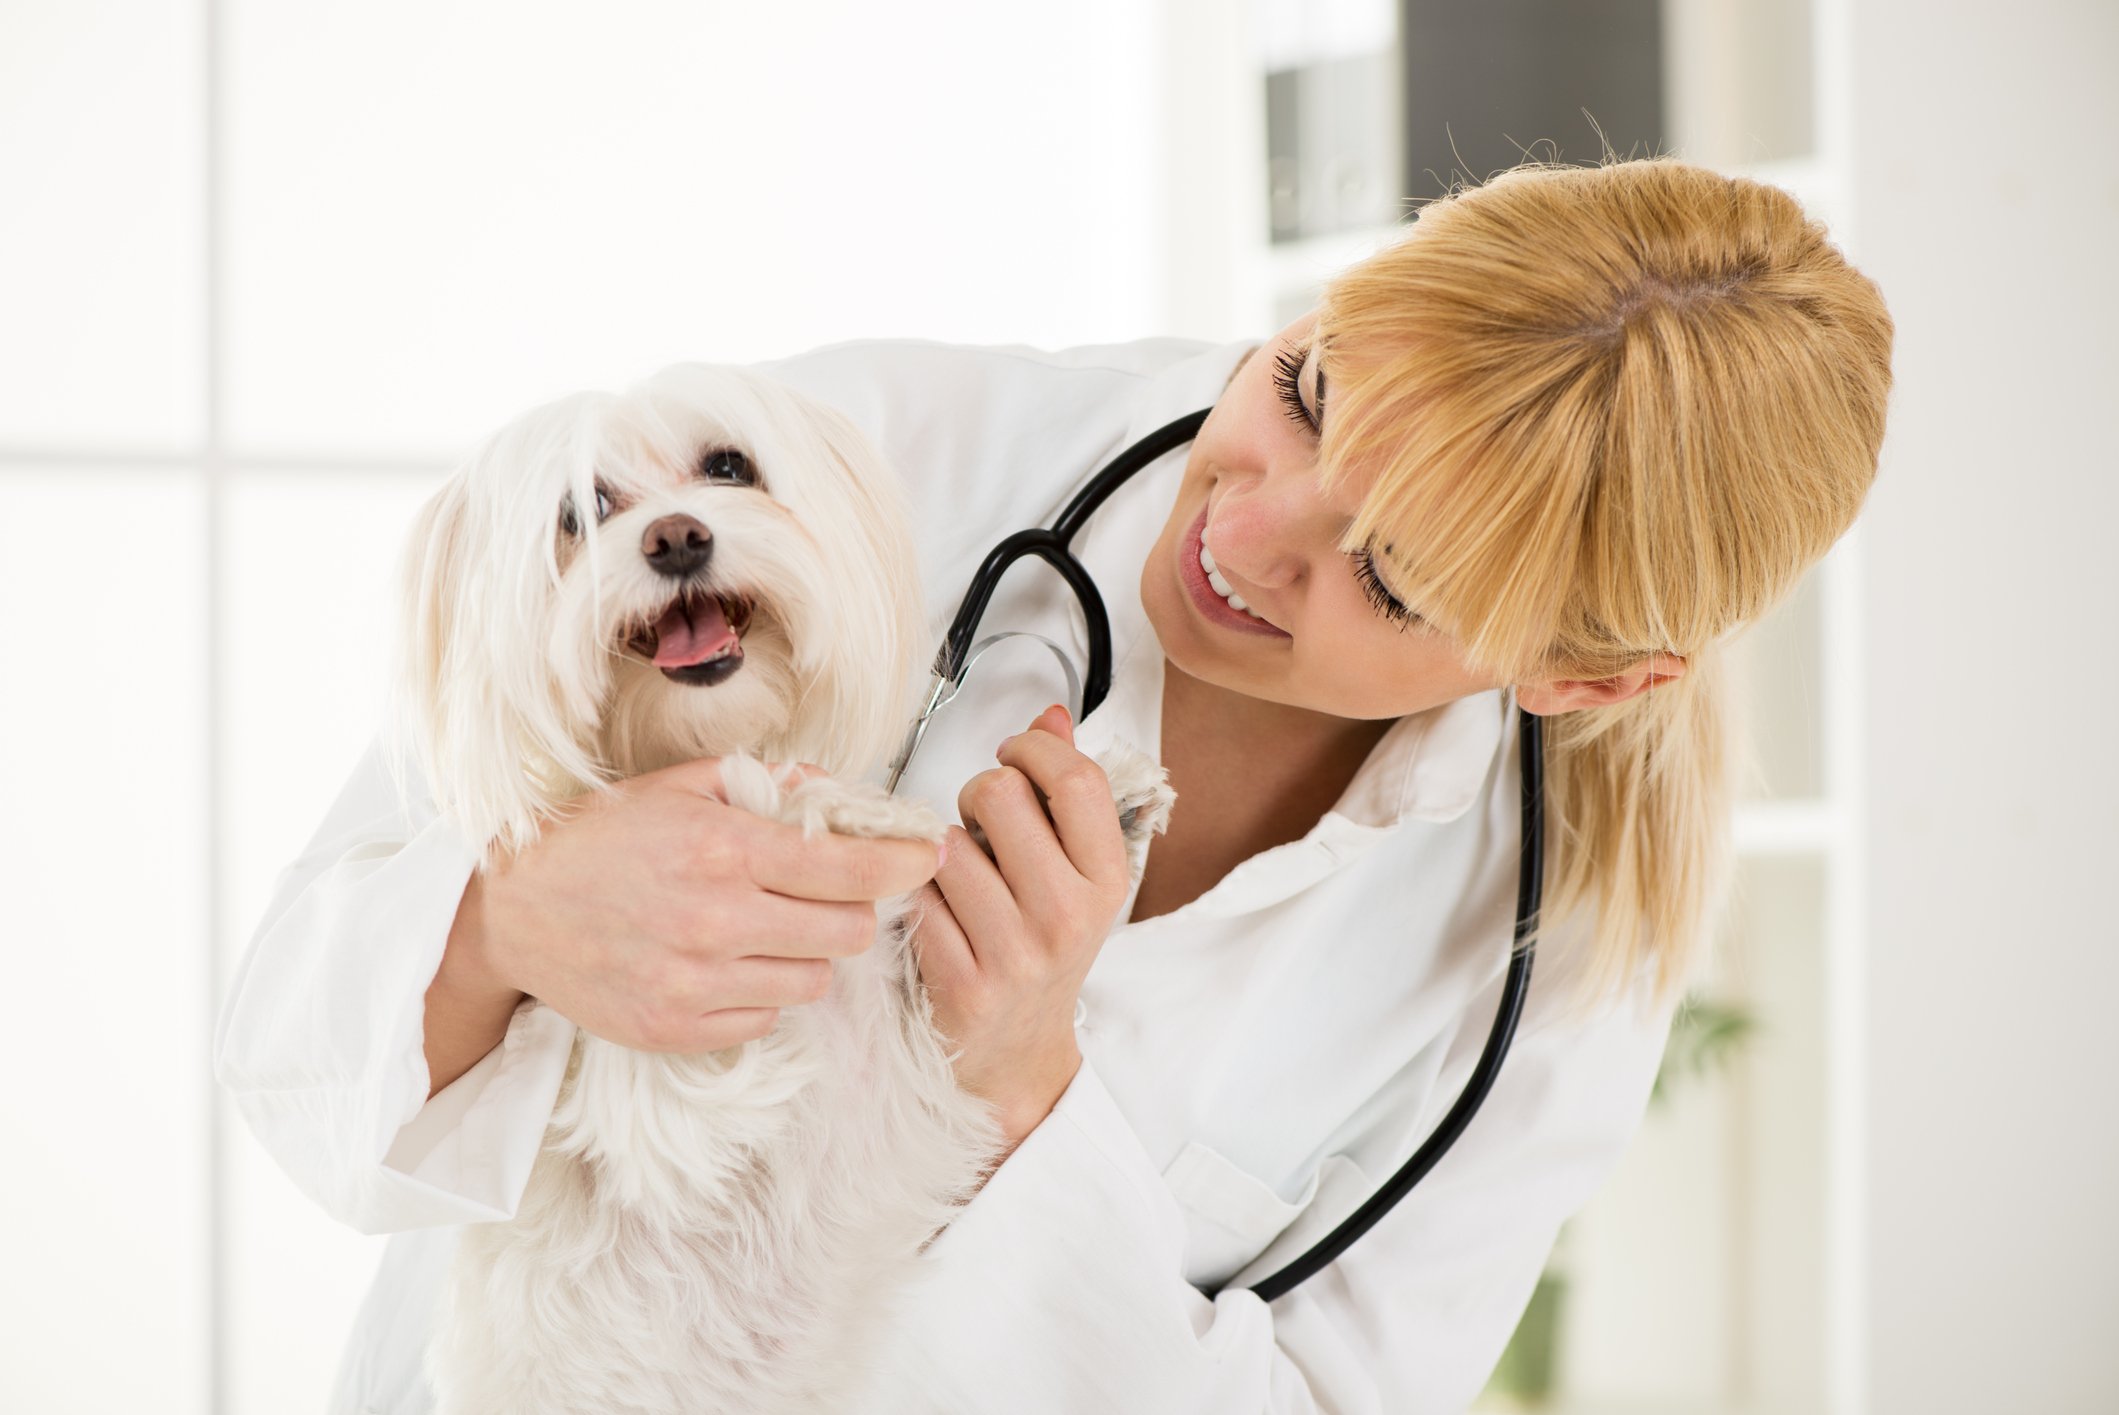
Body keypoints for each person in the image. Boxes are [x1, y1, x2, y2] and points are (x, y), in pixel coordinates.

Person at [214, 157, 1894, 1414]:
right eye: (1306, 392)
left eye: (1390, 575)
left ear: (1584, 676)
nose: (1243, 532)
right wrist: (506, 924)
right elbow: (288, 1051)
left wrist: (1025, 1096)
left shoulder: (1556, 974)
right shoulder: (851, 460)